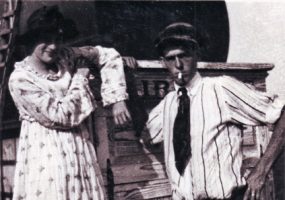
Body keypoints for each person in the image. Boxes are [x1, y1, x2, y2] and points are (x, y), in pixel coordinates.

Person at [145, 22, 285, 200]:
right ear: (163, 62)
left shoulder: (220, 88)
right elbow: (144, 133)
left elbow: (281, 112)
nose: (178, 65)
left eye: (184, 56)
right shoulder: (168, 104)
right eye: (171, 58)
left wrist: (261, 170)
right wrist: (127, 83)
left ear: (196, 55)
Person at [9, 5, 131, 200]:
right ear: (33, 40)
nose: (54, 46)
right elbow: (61, 115)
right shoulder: (21, 79)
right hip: (46, 152)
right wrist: (80, 78)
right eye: (46, 40)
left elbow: (107, 55)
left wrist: (117, 100)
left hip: (79, 149)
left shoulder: (65, 57)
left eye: (58, 39)